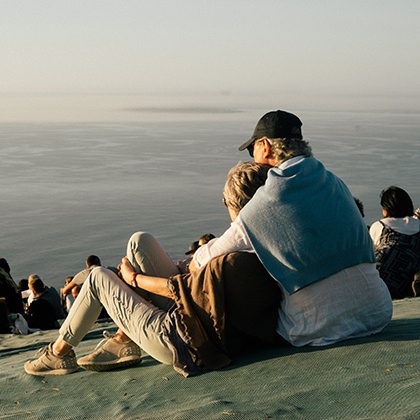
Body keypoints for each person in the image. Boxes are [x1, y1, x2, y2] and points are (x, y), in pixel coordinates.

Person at [24, 162, 280, 377]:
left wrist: (132, 278)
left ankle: (58, 353)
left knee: (98, 277)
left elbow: (179, 290)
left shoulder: (228, 249)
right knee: (140, 242)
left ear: (231, 203)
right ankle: (123, 341)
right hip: (212, 324)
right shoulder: (274, 236)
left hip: (181, 340)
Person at [192, 109, 392, 347]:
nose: (252, 158)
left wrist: (195, 257)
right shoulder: (335, 182)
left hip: (317, 328)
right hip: (378, 311)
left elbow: (207, 259)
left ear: (265, 147)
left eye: (252, 149)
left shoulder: (265, 202)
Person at [369, 186, 420, 299]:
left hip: (380, 286)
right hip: (409, 285)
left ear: (386, 208)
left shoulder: (380, 225)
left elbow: (369, 255)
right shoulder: (418, 225)